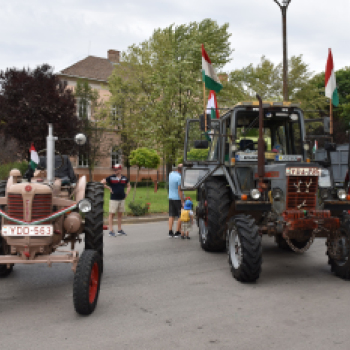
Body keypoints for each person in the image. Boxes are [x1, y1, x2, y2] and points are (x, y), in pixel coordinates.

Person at [101, 164, 131, 237]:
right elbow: (102, 182)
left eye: (116, 169)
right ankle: (111, 231)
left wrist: (126, 194)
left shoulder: (124, 178)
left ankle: (119, 230)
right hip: (114, 199)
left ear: (120, 170)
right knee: (111, 214)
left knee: (120, 215)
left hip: (121, 199)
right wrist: (109, 188)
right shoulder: (111, 178)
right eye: (114, 169)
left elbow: (129, 186)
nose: (115, 171)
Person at [168, 164, 184, 238]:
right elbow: (179, 190)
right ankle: (178, 231)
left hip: (170, 197)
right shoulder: (179, 178)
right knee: (180, 215)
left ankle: (170, 231)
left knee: (171, 215)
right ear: (181, 170)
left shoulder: (170, 174)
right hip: (177, 198)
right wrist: (182, 201)